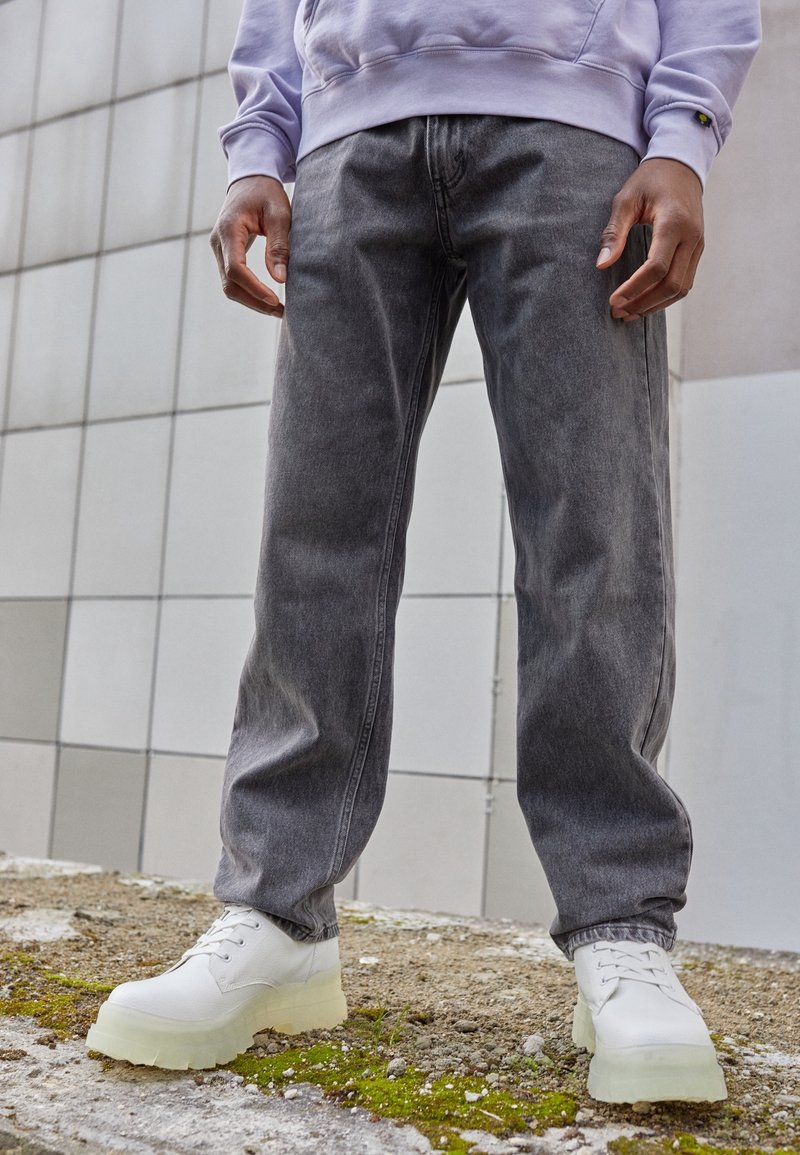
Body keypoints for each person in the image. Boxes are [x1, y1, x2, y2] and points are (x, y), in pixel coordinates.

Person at [86, 0, 761, 1104]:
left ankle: (618, 928)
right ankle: (275, 917)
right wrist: (260, 142)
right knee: (315, 531)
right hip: (348, 137)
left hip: (572, 124)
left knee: (592, 533)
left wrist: (679, 135)